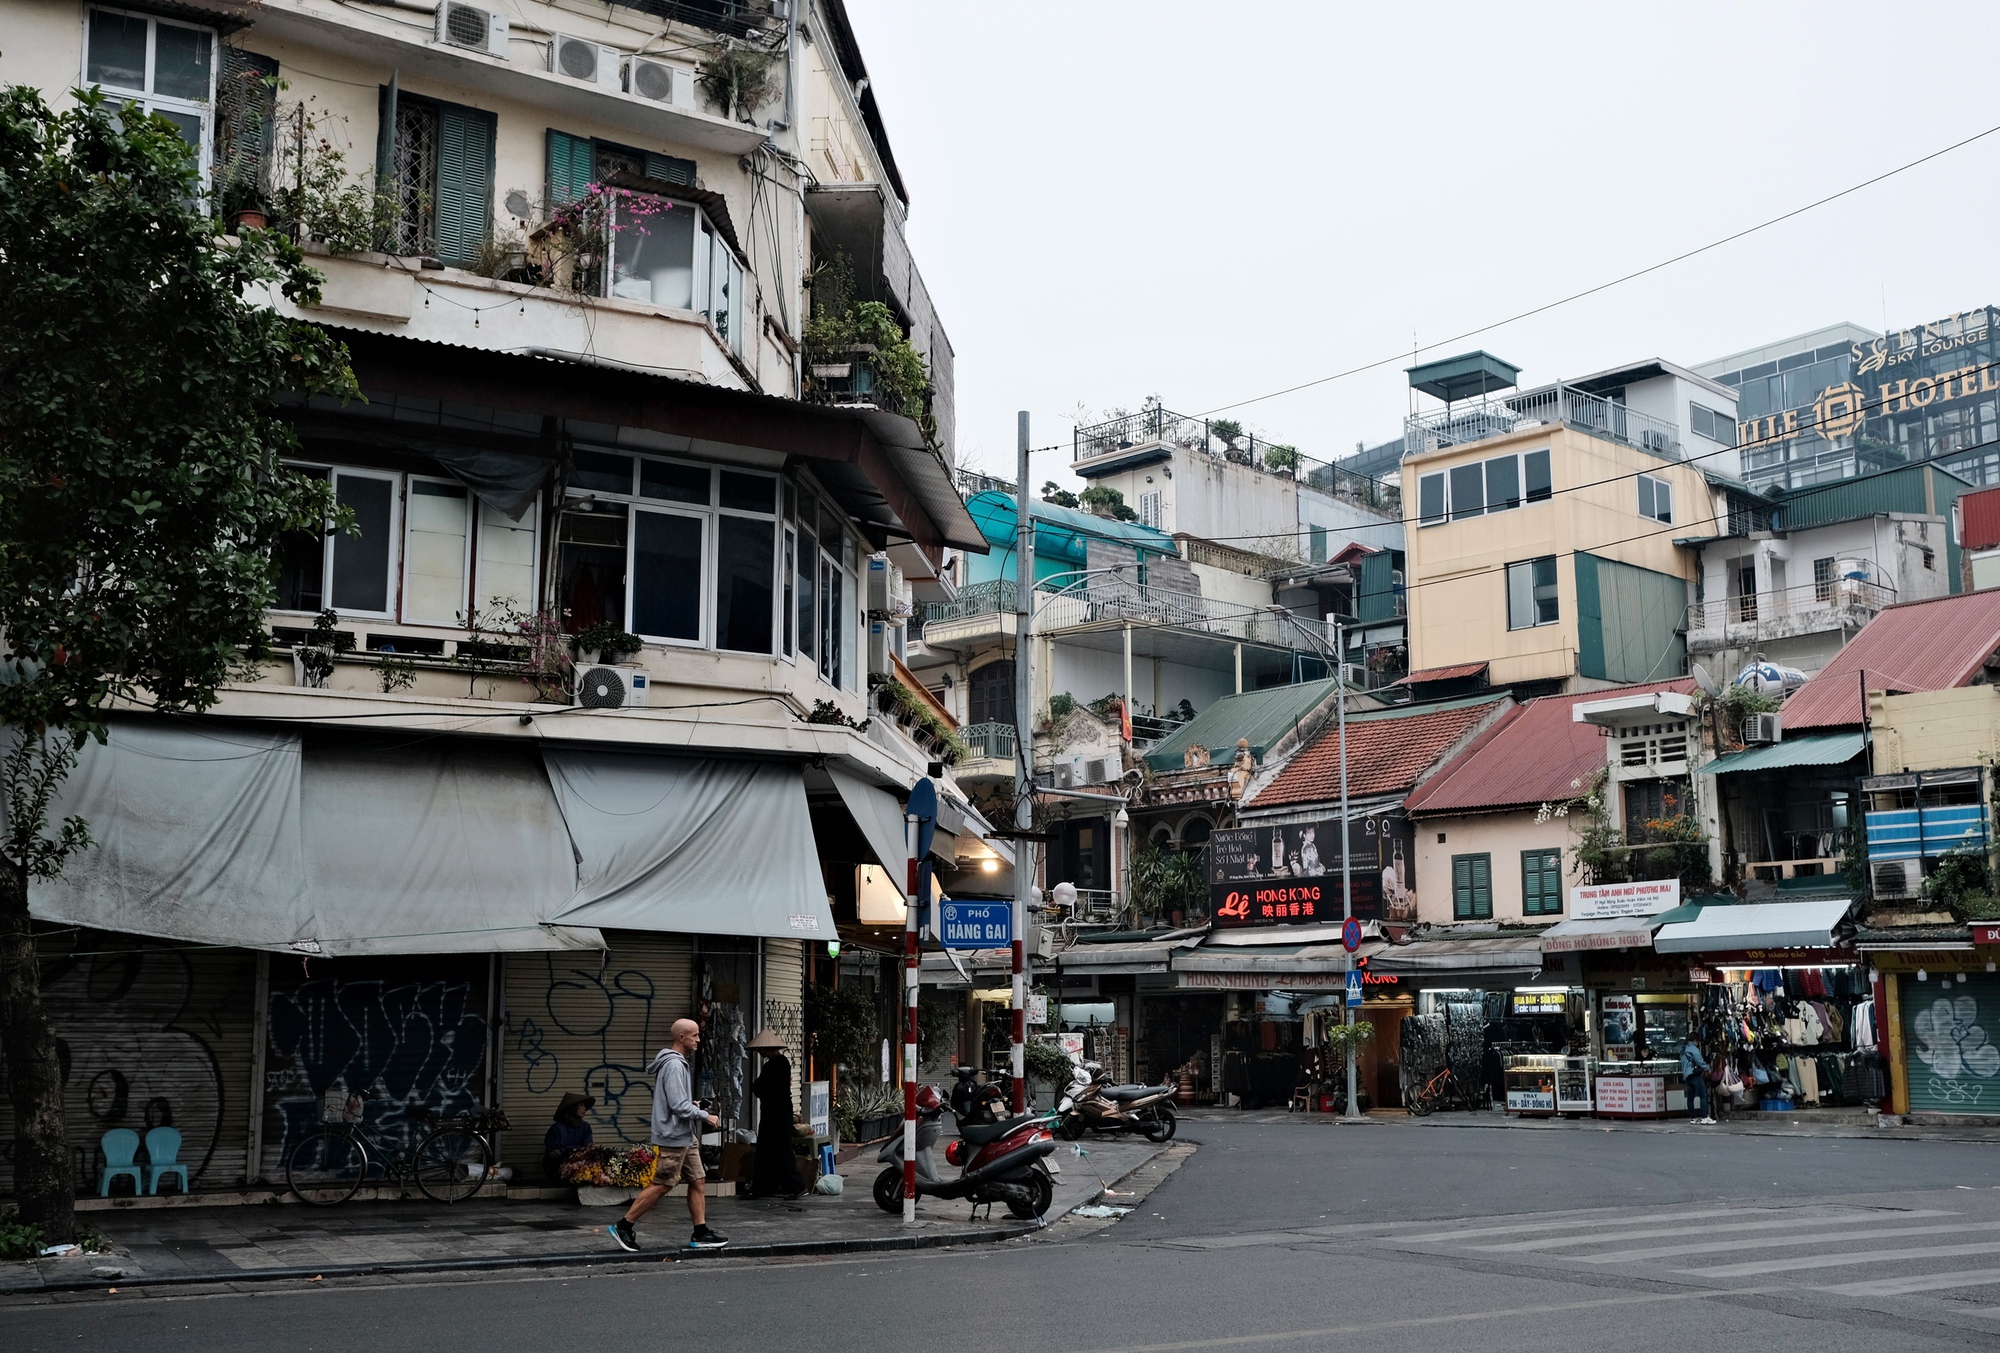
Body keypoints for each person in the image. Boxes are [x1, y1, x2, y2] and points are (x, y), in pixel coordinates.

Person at [609, 1018, 728, 1252]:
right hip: (674, 1136)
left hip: (685, 1134)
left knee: (698, 1180)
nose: (698, 1039)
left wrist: (694, 1104)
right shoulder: (673, 1065)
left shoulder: (679, 1063)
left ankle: (700, 1232)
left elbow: (679, 1102)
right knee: (663, 1184)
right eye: (694, 1035)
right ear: (681, 1038)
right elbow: (677, 1106)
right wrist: (705, 1116)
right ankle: (623, 1226)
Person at [744, 1029, 804, 1199]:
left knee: (781, 1148)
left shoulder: (779, 1063)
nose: (759, 1052)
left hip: (778, 1112)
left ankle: (795, 1186)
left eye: (760, 1049)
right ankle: (765, 1187)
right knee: (768, 1149)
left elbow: (762, 1086)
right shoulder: (772, 1064)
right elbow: (759, 1086)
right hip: (773, 1111)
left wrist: (762, 1090)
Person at [542, 1091, 594, 1183]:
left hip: (581, 1171)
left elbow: (587, 1148)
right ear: (572, 1107)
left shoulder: (585, 1127)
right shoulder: (557, 1128)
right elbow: (556, 1156)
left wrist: (564, 1149)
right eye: (581, 1105)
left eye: (585, 1105)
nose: (584, 1108)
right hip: (558, 1171)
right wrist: (573, 1149)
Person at [1681, 1037, 1715, 1125]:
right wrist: (1706, 1068)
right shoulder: (1693, 1048)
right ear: (1695, 1040)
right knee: (1703, 1096)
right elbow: (1699, 1060)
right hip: (1695, 1074)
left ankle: (1693, 1118)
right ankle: (1704, 1117)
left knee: (1690, 1099)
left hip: (1687, 1076)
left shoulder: (1683, 1050)